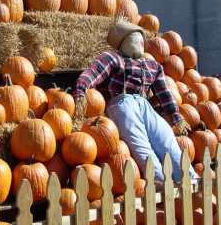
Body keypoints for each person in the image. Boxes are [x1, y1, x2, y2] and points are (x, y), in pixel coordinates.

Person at [73, 19, 197, 183]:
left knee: (166, 138)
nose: (140, 41)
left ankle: (190, 178)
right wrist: (81, 91)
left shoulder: (152, 66)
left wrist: (175, 115)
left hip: (144, 104)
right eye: (135, 38)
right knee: (140, 144)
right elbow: (93, 73)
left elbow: (164, 93)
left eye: (141, 38)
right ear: (124, 42)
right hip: (122, 104)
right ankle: (160, 182)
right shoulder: (113, 58)